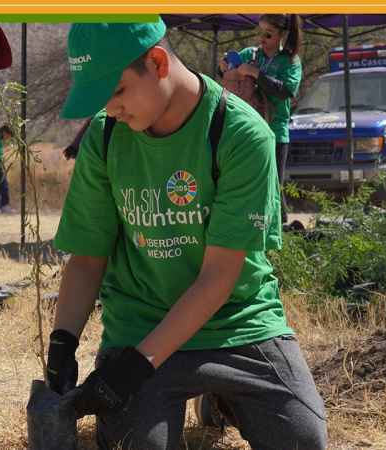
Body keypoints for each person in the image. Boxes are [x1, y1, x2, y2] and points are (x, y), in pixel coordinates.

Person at [46, 20, 327, 450]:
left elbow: (218, 279)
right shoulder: (105, 137)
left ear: (157, 62)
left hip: (237, 323)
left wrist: (133, 371)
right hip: (142, 325)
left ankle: (225, 397)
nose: (111, 109)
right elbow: (87, 256)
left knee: (302, 442)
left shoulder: (241, 133)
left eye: (117, 91)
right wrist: (62, 344)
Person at [220, 14, 303, 223]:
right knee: (249, 182)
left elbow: (285, 91)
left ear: (282, 34)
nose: (262, 39)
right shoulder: (250, 54)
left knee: (273, 185)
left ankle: (280, 231)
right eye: (260, 33)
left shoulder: (290, 61)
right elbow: (228, 75)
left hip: (275, 132)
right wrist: (224, 66)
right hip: (247, 131)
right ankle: (253, 227)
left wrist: (256, 74)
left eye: (268, 34)